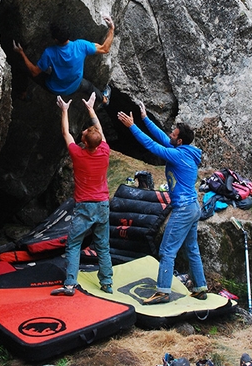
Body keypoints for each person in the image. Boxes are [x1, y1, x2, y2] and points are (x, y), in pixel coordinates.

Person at [117, 101, 207, 304]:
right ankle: (200, 287)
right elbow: (162, 138)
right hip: (193, 207)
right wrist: (145, 119)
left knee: (167, 250)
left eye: (174, 135)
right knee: (192, 248)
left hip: (183, 209)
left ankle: (163, 291)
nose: (171, 137)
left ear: (180, 140)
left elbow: (152, 145)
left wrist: (132, 126)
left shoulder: (176, 155)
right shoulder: (185, 151)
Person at [50, 92, 113, 296]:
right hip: (102, 204)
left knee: (74, 244)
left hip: (85, 205)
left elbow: (65, 132)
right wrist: (91, 109)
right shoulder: (104, 150)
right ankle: (107, 283)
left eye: (84, 132)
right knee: (102, 246)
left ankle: (70, 284)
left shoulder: (78, 153)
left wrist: (65, 110)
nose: (83, 131)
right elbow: (100, 132)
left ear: (84, 142)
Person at [13, 16, 114, 104]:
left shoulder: (50, 52)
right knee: (89, 87)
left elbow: (34, 72)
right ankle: (104, 100)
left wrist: (21, 53)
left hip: (53, 88)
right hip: (75, 85)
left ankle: (23, 95)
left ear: (55, 39)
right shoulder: (81, 46)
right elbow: (105, 49)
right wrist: (111, 28)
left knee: (21, 67)